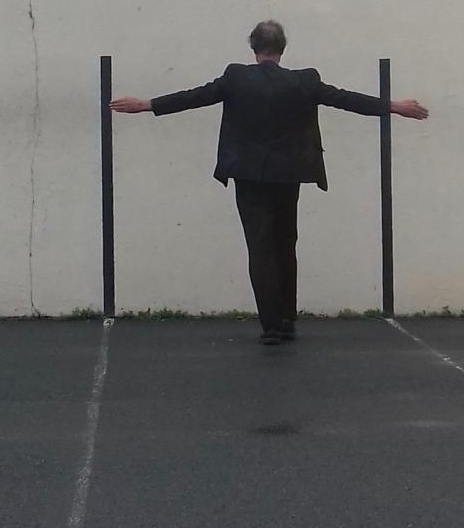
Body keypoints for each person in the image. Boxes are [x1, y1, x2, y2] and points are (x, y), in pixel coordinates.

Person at [110, 20, 429, 345]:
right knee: (286, 243)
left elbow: (196, 96)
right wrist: (393, 106)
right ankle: (288, 319)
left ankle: (272, 326)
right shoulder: (305, 80)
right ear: (282, 48)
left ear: (254, 48)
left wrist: (147, 105)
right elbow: (344, 98)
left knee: (260, 248)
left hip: (249, 175)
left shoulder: (236, 77)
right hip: (289, 174)